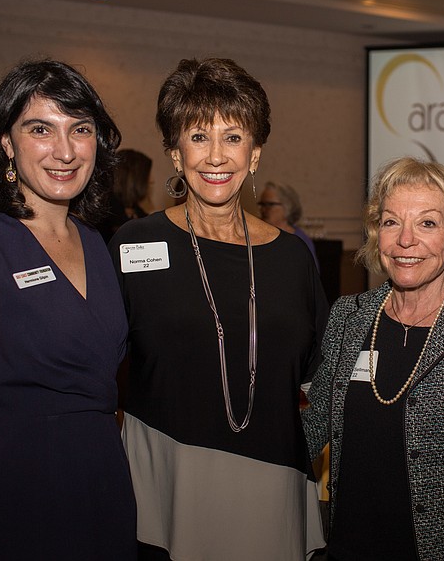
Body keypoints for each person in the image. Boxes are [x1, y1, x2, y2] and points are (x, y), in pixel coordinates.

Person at [109, 57, 328, 560]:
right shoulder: (133, 244)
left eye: (232, 137)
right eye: (198, 136)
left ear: (254, 154)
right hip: (169, 487)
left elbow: (321, 378)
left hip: (273, 486)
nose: (215, 156)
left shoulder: (292, 258)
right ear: (174, 152)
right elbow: (89, 363)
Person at [0, 59, 136, 560]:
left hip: (102, 490)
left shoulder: (96, 245)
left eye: (80, 129)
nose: (65, 150)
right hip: (13, 498)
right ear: (7, 144)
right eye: (40, 129)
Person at [302, 156, 444, 560]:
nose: (405, 240)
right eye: (391, 222)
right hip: (348, 548)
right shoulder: (348, 317)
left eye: (427, 223)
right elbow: (314, 425)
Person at [259, 180, 319, 270]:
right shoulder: (257, 236)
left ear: (287, 206)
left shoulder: (300, 241)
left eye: (270, 204)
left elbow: (310, 274)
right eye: (262, 204)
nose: (263, 210)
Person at [99, 148, 155, 242]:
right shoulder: (103, 214)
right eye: (147, 176)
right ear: (135, 178)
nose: (151, 181)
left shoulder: (141, 215)